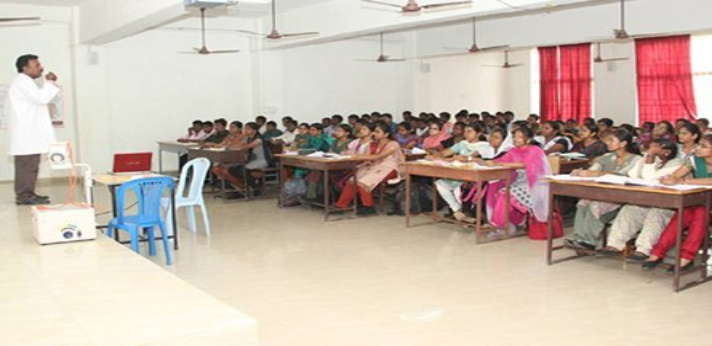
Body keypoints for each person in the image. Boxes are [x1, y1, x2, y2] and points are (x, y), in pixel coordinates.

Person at [600, 138, 683, 259]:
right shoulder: (652, 159)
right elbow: (633, 174)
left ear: (667, 151)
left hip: (669, 205)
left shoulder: (677, 164)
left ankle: (643, 249)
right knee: (630, 209)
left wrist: (650, 156)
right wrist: (646, 159)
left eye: (655, 147)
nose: (650, 150)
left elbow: (649, 178)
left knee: (656, 213)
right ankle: (615, 244)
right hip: (649, 201)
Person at [642, 134, 712, 272]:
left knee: (701, 212)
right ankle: (658, 252)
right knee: (684, 212)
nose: (698, 148)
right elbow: (677, 175)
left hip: (707, 202)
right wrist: (670, 179)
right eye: (699, 145)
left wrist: (685, 182)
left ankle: (686, 256)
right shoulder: (694, 159)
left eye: (703, 146)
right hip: (701, 198)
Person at [565, 129, 642, 251]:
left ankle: (589, 241)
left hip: (622, 197)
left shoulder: (636, 159)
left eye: (611, 141)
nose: (608, 143)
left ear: (623, 143)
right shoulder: (606, 157)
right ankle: (580, 238)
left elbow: (623, 175)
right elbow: (594, 169)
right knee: (583, 203)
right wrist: (584, 172)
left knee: (595, 206)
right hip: (603, 194)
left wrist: (597, 173)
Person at [5, 54, 60, 205]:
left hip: (28, 134)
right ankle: (24, 196)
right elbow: (42, 98)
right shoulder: (23, 82)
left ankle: (28, 193)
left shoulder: (25, 82)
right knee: (27, 166)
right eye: (36, 65)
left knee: (30, 166)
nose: (40, 68)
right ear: (25, 68)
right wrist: (50, 82)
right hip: (26, 134)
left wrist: (48, 83)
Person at [479, 127, 551, 235]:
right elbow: (501, 160)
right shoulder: (513, 150)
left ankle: (498, 225)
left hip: (534, 184)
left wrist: (500, 164)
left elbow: (524, 164)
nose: (516, 140)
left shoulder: (535, 150)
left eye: (520, 137)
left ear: (529, 139)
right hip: (519, 182)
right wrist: (488, 162)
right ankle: (509, 222)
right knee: (499, 192)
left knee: (504, 193)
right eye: (514, 137)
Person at [335, 122, 404, 216]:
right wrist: (363, 160)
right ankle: (341, 206)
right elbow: (368, 157)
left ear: (386, 134)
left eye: (378, 132)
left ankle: (368, 207)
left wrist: (358, 157)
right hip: (374, 166)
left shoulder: (393, 144)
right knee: (351, 181)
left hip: (390, 168)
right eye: (374, 132)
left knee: (363, 183)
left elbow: (379, 156)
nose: (374, 134)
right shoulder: (372, 144)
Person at [431, 123, 490, 222]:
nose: (466, 134)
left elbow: (474, 158)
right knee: (440, 184)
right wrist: (435, 156)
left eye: (469, 131)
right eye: (465, 131)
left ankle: (463, 213)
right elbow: (446, 153)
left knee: (459, 190)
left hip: (472, 178)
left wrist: (462, 158)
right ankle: (457, 210)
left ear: (478, 133)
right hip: (458, 174)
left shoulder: (484, 146)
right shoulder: (462, 144)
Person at [212, 122, 271, 198]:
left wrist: (230, 147)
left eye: (248, 129)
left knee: (241, 169)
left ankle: (255, 186)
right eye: (245, 128)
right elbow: (238, 145)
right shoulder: (247, 138)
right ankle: (243, 186)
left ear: (254, 130)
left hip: (261, 160)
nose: (245, 130)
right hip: (251, 160)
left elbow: (246, 147)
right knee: (232, 169)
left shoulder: (259, 139)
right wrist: (231, 146)